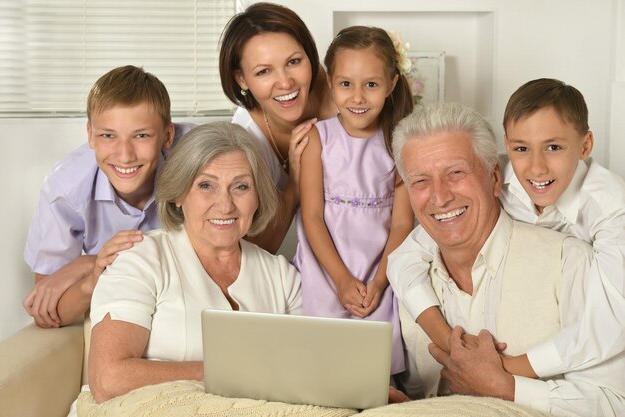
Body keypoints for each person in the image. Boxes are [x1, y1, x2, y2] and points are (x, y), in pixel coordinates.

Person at [390, 102, 625, 417]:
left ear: (494, 179)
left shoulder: (573, 261)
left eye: (456, 172)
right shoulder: (411, 275)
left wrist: (507, 385)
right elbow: (418, 391)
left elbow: (614, 404)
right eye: (421, 181)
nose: (440, 196)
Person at [85, 122, 301, 405]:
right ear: (178, 194)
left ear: (258, 197)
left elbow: (310, 369)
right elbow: (108, 379)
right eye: (206, 185)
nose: (225, 205)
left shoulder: (282, 276)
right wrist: (226, 372)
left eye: (241, 186)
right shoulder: (140, 260)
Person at [22, 65, 192, 328]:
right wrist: (93, 274)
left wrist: (85, 263)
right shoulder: (64, 189)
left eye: (142, 135)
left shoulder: (197, 157)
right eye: (108, 136)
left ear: (167, 136)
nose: (125, 155)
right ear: (90, 135)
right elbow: (46, 309)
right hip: (124, 308)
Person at [293, 26, 414, 377]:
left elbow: (402, 224)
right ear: (331, 82)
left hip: (380, 269)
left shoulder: (399, 143)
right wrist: (342, 280)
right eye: (346, 84)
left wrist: (378, 283)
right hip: (327, 267)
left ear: (391, 85)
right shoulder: (319, 138)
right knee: (321, 360)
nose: (358, 97)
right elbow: (312, 217)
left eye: (371, 85)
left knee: (373, 362)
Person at [219, 2, 336, 254]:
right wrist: (295, 182)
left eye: (294, 61)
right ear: (242, 79)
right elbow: (254, 249)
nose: (285, 82)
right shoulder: (244, 139)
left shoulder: (338, 91)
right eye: (263, 72)